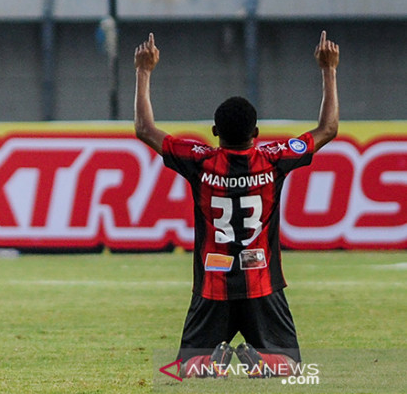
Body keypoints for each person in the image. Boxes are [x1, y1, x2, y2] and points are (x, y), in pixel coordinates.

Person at [134, 31, 339, 378]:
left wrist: (143, 72)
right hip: (262, 284)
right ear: (256, 133)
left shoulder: (199, 161)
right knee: (290, 366)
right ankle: (263, 364)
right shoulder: (274, 159)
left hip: (213, 286)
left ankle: (212, 364)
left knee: (185, 367)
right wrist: (329, 70)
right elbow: (328, 128)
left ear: (215, 131)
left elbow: (144, 129)